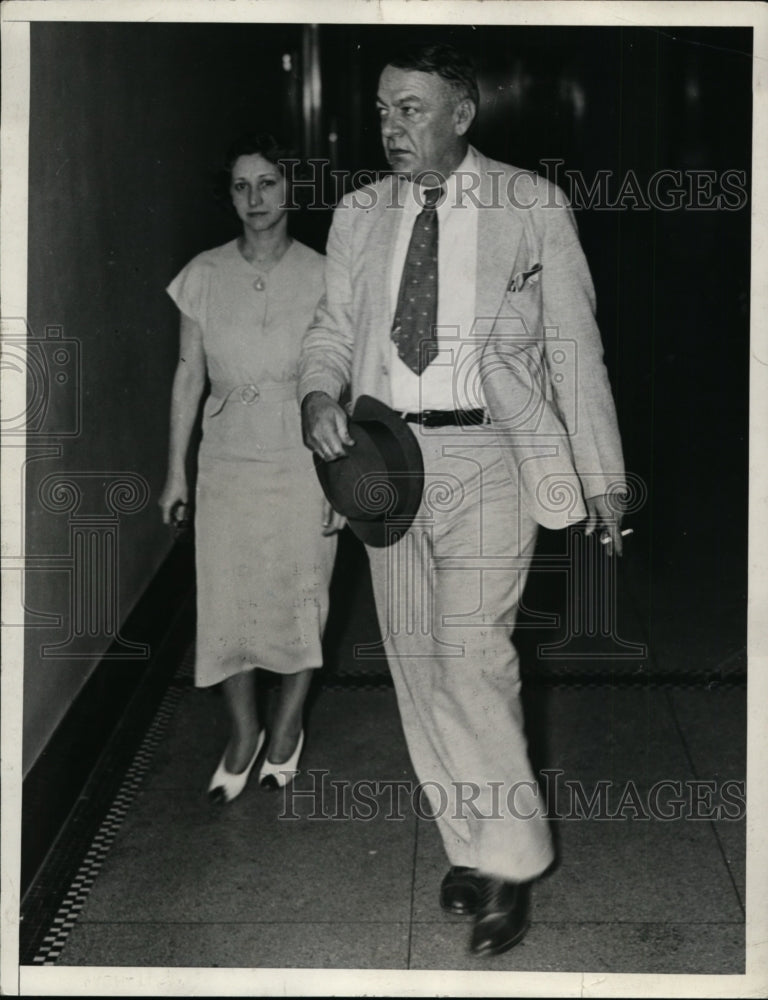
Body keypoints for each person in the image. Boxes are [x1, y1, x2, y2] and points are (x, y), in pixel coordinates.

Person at [299, 43, 626, 955]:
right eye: (381, 110)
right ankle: (470, 845)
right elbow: (331, 330)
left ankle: (513, 866)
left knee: (473, 653)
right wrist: (316, 394)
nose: (390, 127)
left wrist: (601, 479)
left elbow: (575, 347)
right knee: (414, 661)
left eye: (410, 109)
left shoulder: (531, 205)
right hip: (384, 461)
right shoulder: (361, 215)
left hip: (491, 453)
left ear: (463, 114)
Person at [159, 133, 337, 803]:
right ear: (228, 195)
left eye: (267, 183)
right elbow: (187, 378)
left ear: (291, 189)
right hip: (228, 459)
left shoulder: (325, 275)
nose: (255, 199)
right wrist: (176, 472)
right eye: (241, 186)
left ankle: (287, 725)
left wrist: (341, 479)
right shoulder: (202, 275)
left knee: (303, 597)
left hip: (303, 460)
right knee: (226, 600)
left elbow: (344, 383)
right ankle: (243, 732)